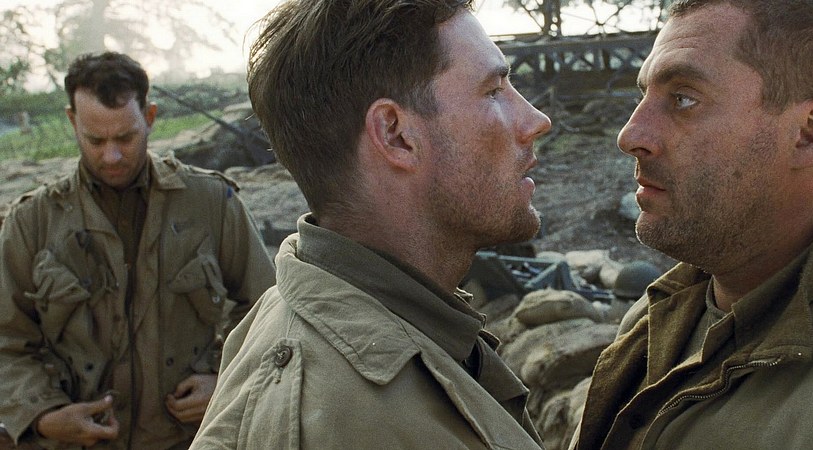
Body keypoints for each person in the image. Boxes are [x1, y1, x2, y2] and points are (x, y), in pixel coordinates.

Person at [190, 0, 552, 448]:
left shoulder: (374, 325)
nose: (536, 121)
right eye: (493, 91)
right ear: (396, 135)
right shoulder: (342, 422)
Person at [571, 0, 813, 448]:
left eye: (683, 99)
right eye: (643, 96)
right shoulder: (663, 312)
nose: (630, 136)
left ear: (812, 131)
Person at [0, 51, 275, 449]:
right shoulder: (32, 221)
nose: (111, 155)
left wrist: (225, 381)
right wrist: (43, 415)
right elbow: (7, 341)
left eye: (125, 138)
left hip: (192, 440)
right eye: (95, 140)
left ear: (150, 116)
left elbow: (268, 311)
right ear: (73, 121)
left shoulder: (213, 203)